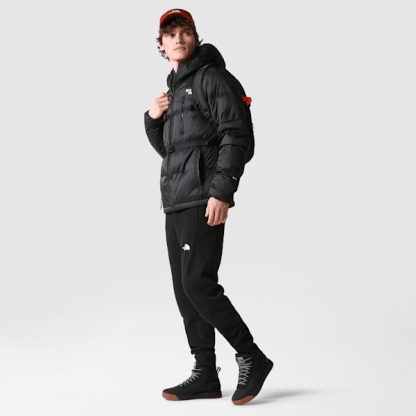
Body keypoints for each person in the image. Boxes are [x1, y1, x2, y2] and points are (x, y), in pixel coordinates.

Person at [144, 8, 273, 405]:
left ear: (195, 38)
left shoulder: (210, 78)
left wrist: (222, 191)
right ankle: (204, 374)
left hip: (203, 197)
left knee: (197, 283)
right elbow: (173, 152)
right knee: (185, 291)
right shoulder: (174, 89)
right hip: (177, 200)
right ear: (161, 45)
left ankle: (251, 356)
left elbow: (237, 135)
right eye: (170, 34)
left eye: (185, 31)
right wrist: (152, 119)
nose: (178, 38)